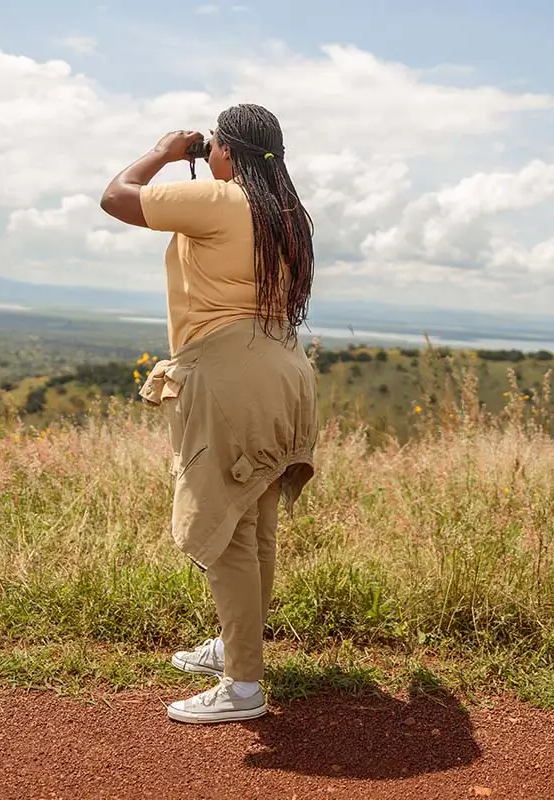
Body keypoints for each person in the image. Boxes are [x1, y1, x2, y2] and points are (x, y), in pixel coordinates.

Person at [99, 103, 318, 724]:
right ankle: (235, 644)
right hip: (282, 369)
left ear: (230, 153)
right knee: (256, 525)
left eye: (214, 145)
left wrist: (169, 149)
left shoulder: (224, 201)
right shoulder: (288, 216)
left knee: (223, 530)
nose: (208, 153)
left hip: (229, 376)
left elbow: (117, 196)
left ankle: (243, 687)